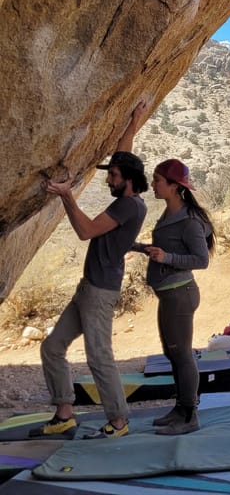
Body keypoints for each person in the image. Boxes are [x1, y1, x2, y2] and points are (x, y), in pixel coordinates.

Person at [33, 104, 148, 439]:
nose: (108, 179)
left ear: (127, 182)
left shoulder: (128, 205)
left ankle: (119, 422)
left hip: (100, 293)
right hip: (89, 288)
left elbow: (86, 230)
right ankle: (64, 412)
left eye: (112, 176)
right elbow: (124, 153)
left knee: (100, 359)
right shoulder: (128, 188)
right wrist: (133, 120)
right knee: (52, 347)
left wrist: (66, 196)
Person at [134, 158, 215, 435]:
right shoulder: (170, 214)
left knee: (182, 356)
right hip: (170, 295)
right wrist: (140, 247)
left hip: (180, 294)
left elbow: (201, 260)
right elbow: (164, 250)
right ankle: (180, 409)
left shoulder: (189, 221)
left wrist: (166, 256)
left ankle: (190, 415)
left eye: (157, 180)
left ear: (173, 186)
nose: (153, 185)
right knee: (172, 353)